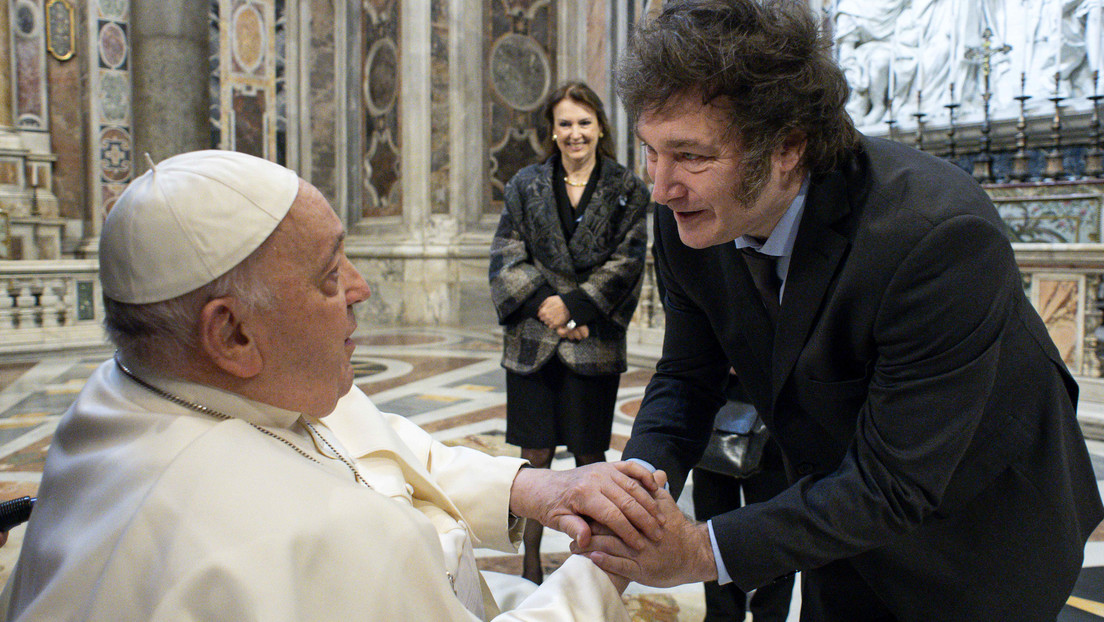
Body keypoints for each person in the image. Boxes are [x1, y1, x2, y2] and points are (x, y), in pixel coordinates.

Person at [574, 1, 1104, 620]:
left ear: (788, 148)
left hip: (978, 539)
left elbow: (894, 484)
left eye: (691, 156)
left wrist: (700, 550)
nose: (661, 187)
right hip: (836, 520)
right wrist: (633, 489)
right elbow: (689, 377)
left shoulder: (936, 236)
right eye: (650, 150)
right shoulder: (690, 220)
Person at [0, 150, 666, 621]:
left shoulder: (142, 388)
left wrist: (530, 486)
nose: (360, 287)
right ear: (232, 335)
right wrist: (604, 571)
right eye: (327, 274)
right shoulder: (298, 536)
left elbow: (372, 444)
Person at [489, 82, 651, 584]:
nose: (574, 133)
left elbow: (628, 263)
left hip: (593, 343)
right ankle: (531, 563)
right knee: (533, 460)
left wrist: (578, 311)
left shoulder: (627, 188)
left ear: (600, 126)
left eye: (584, 122)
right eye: (564, 123)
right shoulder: (524, 185)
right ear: (552, 131)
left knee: (590, 458)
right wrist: (550, 310)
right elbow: (505, 256)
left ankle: (590, 562)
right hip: (534, 344)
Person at [692, 376, 792, 622]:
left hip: (777, 411)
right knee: (711, 531)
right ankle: (721, 615)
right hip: (712, 404)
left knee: (776, 533)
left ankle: (771, 616)